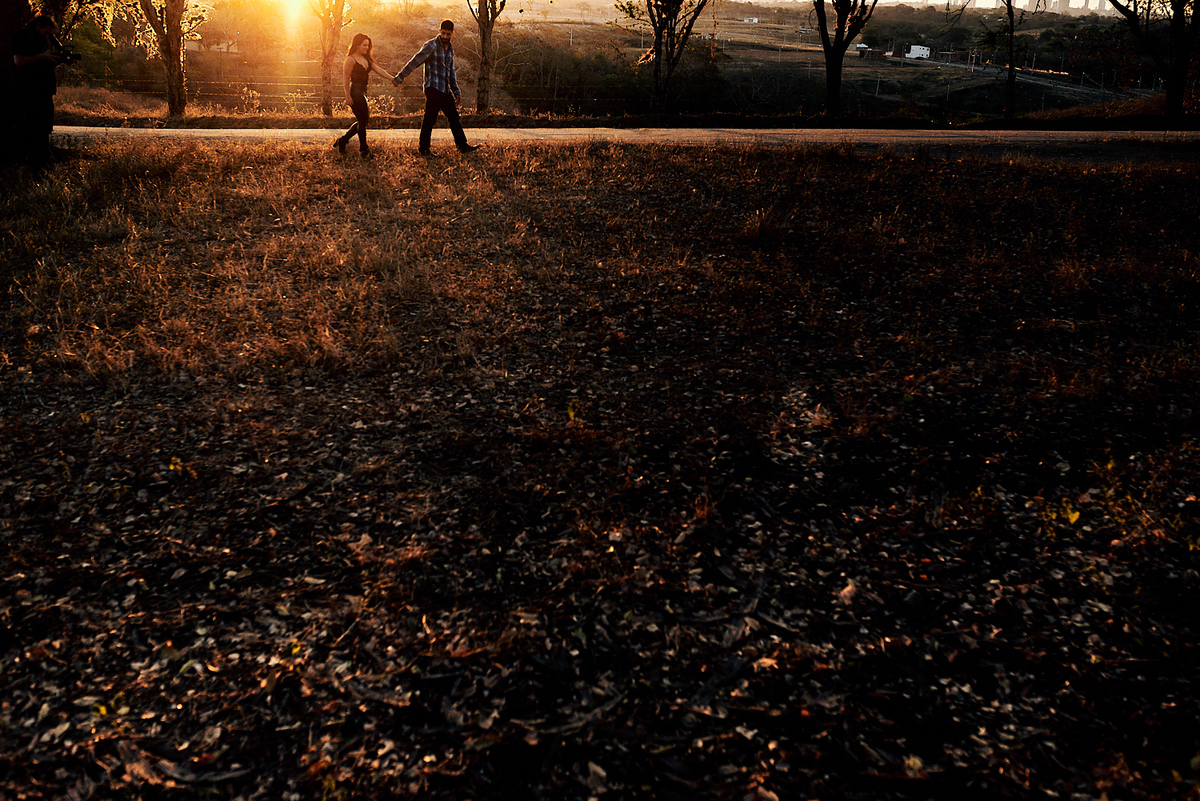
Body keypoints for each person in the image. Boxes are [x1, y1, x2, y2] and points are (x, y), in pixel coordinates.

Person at [393, 20, 480, 157]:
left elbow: (451, 72)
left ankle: (462, 146)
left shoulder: (450, 49)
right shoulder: (431, 46)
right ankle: (424, 149)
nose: (445, 37)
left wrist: (456, 91)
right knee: (430, 118)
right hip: (433, 87)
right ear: (439, 31)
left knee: (453, 117)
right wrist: (400, 77)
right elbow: (415, 61)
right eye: (443, 33)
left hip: (444, 89)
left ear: (452, 34)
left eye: (448, 34)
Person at [11, 15, 65, 168]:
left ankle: (42, 158)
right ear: (38, 26)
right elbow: (19, 61)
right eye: (46, 32)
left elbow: (43, 63)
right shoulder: (21, 37)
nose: (48, 36)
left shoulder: (42, 40)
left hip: (45, 90)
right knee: (32, 126)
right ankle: (32, 160)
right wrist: (42, 56)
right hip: (30, 90)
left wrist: (58, 60)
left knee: (45, 126)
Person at [334, 33, 396, 159]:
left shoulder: (367, 59)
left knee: (363, 121)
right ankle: (364, 150)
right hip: (354, 91)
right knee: (363, 120)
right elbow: (345, 79)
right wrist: (347, 97)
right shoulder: (350, 59)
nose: (367, 48)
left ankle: (343, 141)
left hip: (363, 91)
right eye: (364, 45)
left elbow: (379, 70)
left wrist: (393, 79)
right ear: (357, 45)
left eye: (368, 45)